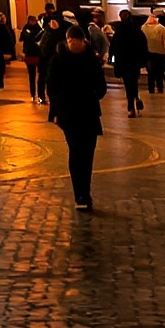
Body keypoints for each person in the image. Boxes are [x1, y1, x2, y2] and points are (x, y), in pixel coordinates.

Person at [45, 22, 106, 211]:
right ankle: (80, 194)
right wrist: (57, 110)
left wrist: (92, 95)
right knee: (77, 151)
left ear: (83, 41)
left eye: (77, 41)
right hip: (70, 113)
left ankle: (84, 192)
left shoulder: (90, 60)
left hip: (86, 112)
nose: (74, 44)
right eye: (71, 40)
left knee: (86, 154)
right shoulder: (59, 60)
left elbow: (101, 86)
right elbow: (51, 87)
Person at [108, 10, 148, 117]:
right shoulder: (137, 30)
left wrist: (112, 60)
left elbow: (113, 47)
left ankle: (131, 106)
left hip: (123, 62)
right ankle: (136, 98)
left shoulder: (119, 31)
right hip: (134, 61)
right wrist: (144, 60)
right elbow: (143, 46)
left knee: (128, 84)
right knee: (134, 81)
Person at [18, 16, 43, 100]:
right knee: (32, 75)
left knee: (39, 75)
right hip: (30, 54)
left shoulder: (38, 29)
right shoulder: (28, 28)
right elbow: (21, 38)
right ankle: (33, 94)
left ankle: (39, 94)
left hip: (37, 54)